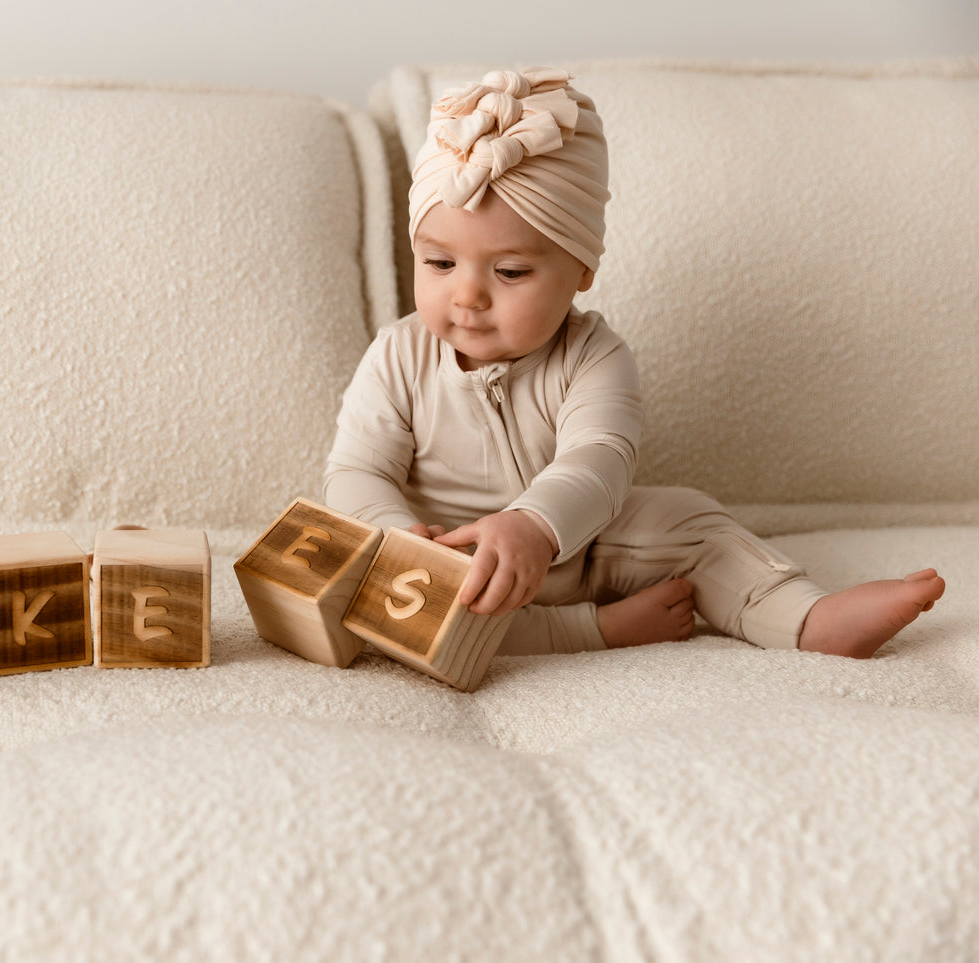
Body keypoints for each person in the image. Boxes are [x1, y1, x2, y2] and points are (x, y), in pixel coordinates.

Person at [324, 67, 943, 658]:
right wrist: (395, 535)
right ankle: (594, 631)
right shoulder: (399, 356)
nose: (467, 295)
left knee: (692, 520)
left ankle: (807, 618)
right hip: (447, 562)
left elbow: (600, 461)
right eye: (438, 264)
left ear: (582, 270)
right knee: (387, 608)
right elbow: (356, 469)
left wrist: (536, 526)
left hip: (583, 545)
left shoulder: (594, 356)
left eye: (510, 271)